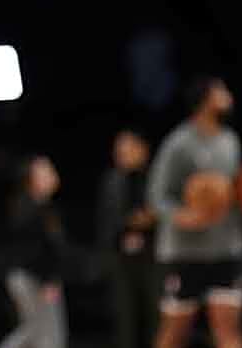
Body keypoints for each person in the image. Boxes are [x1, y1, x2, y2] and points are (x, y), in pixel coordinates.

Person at [149, 77, 242, 348]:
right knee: (174, 333)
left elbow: (232, 194)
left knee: (229, 329)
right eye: (222, 91)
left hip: (225, 249)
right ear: (205, 99)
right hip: (184, 252)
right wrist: (184, 216)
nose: (228, 95)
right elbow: (157, 197)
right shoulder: (178, 143)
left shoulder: (230, 140)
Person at [0, 156, 67, 348]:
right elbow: (33, 250)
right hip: (31, 278)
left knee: (44, 333)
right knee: (38, 330)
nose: (52, 174)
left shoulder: (45, 207)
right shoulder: (30, 208)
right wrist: (48, 281)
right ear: (32, 179)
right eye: (45, 171)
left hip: (35, 277)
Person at [97, 130, 157, 348]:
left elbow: (163, 214)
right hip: (121, 261)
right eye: (118, 151)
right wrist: (129, 224)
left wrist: (149, 220)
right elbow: (106, 221)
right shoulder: (111, 181)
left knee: (156, 317)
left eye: (128, 149)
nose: (122, 155)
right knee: (124, 319)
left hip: (153, 259)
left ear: (143, 150)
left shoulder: (156, 178)